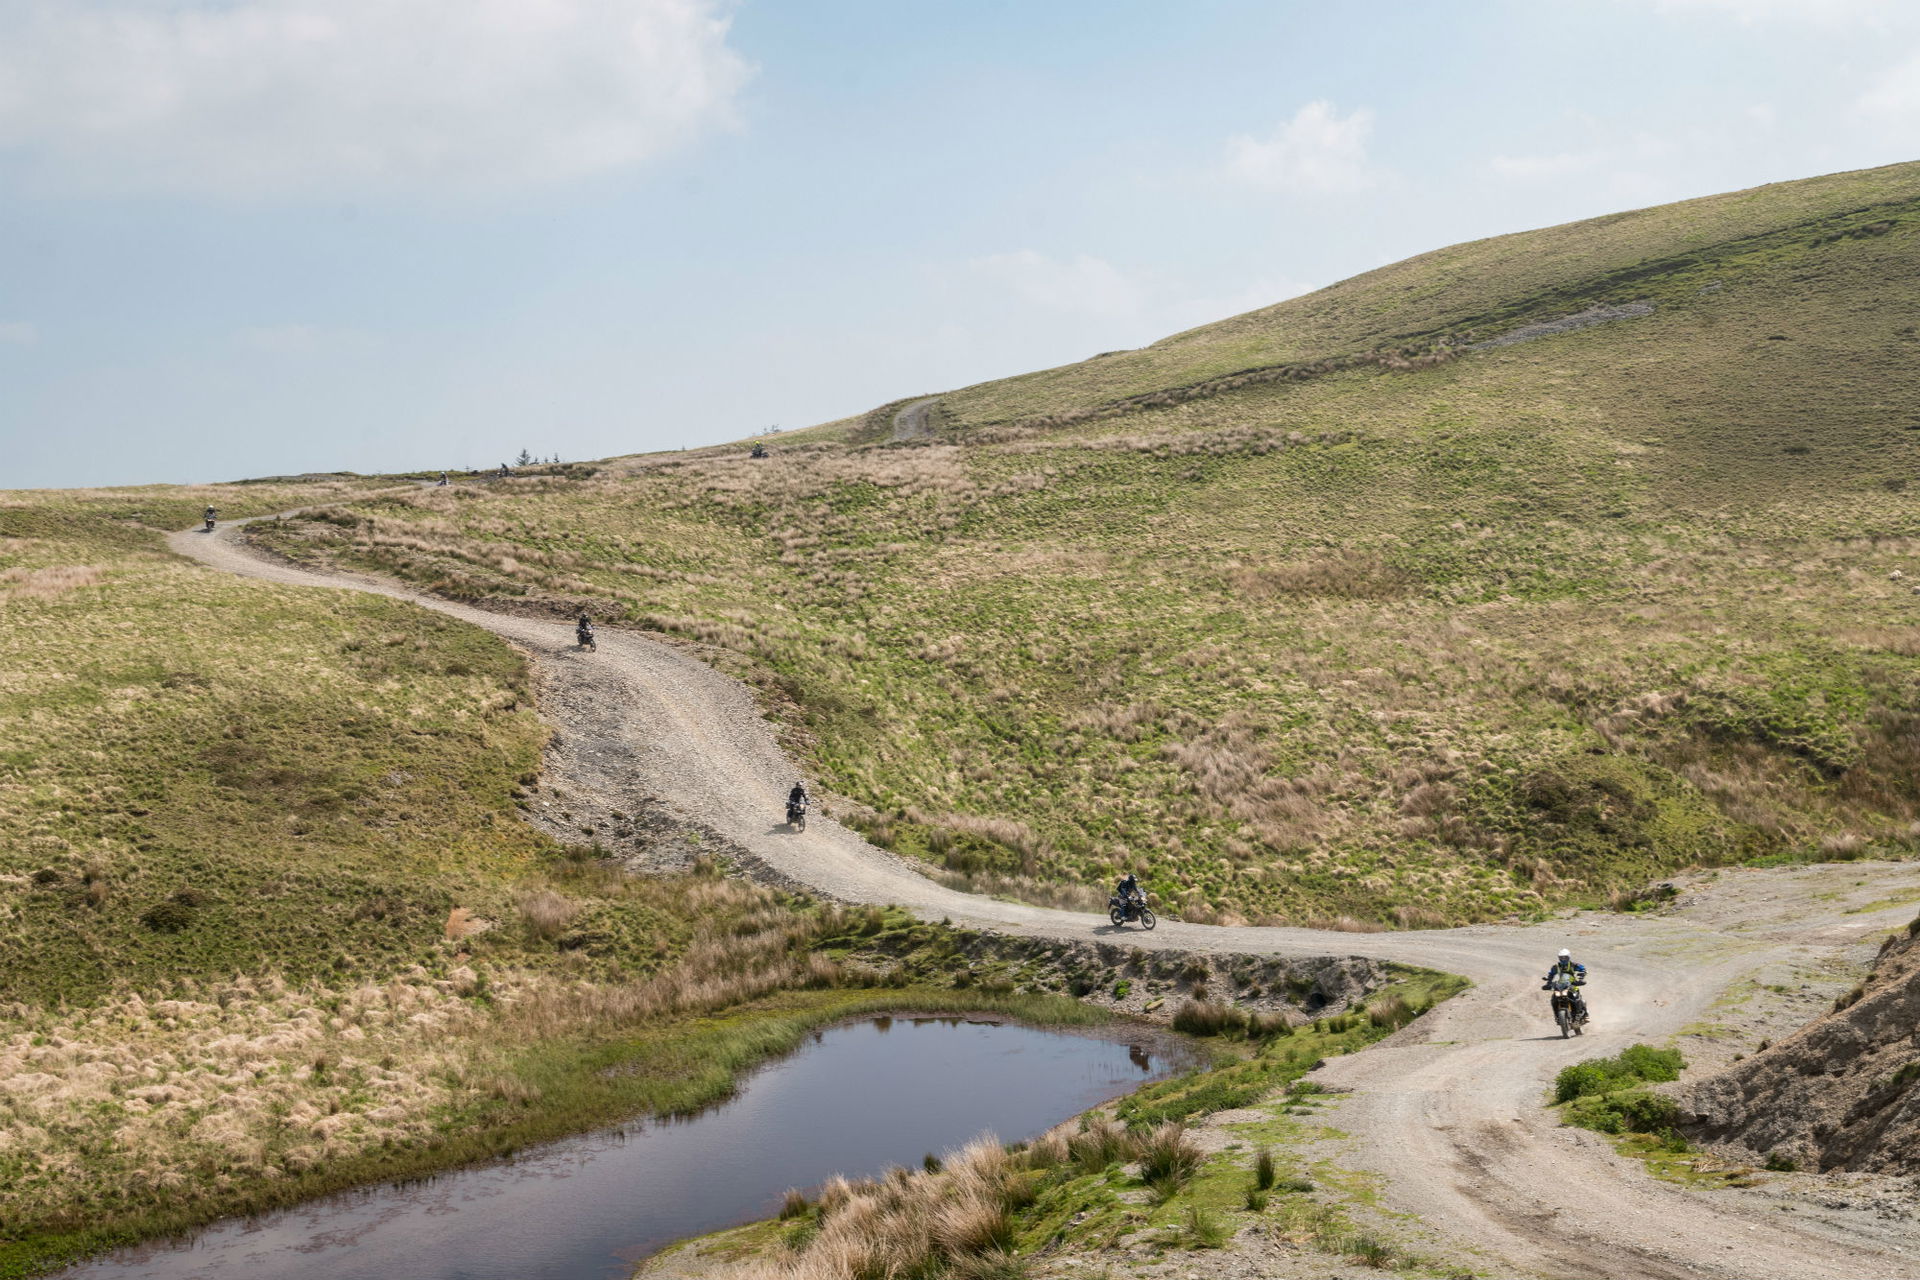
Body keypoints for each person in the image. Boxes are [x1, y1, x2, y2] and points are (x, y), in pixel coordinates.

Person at [1543, 948, 1588, 1021]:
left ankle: (1585, 1014)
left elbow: (1583, 969)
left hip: (1572, 984)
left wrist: (1581, 978)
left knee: (1577, 999)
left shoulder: (1574, 965)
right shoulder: (1556, 966)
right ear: (1559, 958)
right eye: (1561, 957)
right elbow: (1550, 975)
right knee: (1553, 999)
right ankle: (1557, 1016)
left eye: (1565, 957)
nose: (1563, 959)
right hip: (1562, 985)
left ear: (1568, 957)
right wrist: (1548, 983)